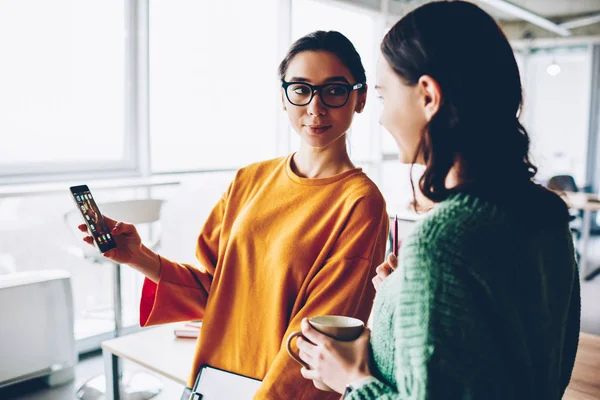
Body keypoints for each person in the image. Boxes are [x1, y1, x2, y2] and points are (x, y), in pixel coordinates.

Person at [78, 30, 388, 399]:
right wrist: (139, 257)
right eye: (301, 89)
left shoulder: (361, 203)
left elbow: (317, 341)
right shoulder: (249, 179)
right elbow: (217, 291)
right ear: (284, 98)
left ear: (361, 98)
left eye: (335, 90)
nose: (316, 108)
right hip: (216, 378)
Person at [295, 2, 581, 399]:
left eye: (383, 95)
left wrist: (351, 379)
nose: (381, 117)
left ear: (428, 95)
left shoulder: (443, 241)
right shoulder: (546, 214)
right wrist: (406, 294)